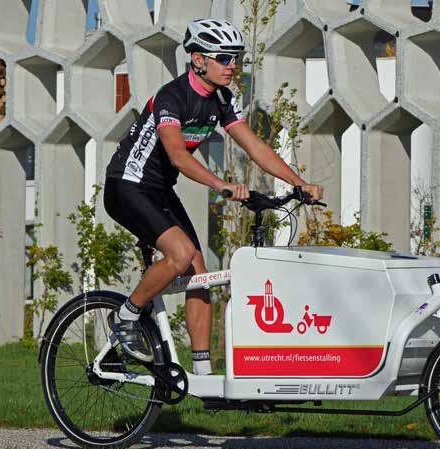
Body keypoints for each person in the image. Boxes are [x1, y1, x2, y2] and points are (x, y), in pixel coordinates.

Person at [103, 18, 323, 375]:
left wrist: (299, 183)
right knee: (181, 254)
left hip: (159, 190)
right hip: (126, 186)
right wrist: (221, 184)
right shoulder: (172, 97)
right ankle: (125, 317)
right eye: (224, 57)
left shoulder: (221, 98)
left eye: (237, 57)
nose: (232, 65)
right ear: (198, 59)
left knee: (199, 273)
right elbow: (177, 155)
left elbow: (255, 147)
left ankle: (203, 375)